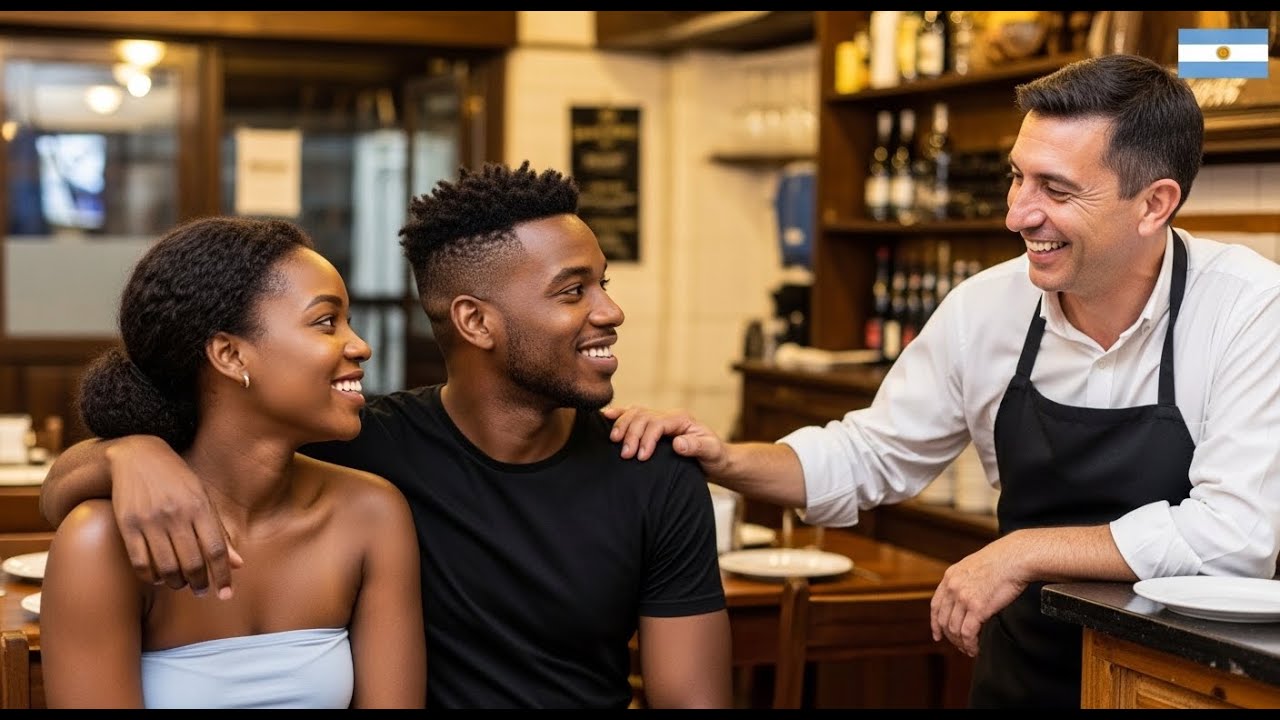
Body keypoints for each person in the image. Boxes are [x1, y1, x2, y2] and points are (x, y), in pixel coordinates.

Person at [606, 53, 1280, 708]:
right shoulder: (986, 307)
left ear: (1154, 204)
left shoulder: (1247, 308)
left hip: (1182, 688)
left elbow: (1233, 536)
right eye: (1017, 178)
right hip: (1022, 676)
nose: (1018, 214)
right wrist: (724, 458)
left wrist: (1023, 553)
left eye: (1056, 189)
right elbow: (869, 455)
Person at [39, 162, 733, 709]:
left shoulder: (649, 468)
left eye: (602, 284)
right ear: (475, 321)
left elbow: (692, 699)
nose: (612, 311)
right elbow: (90, 486)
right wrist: (130, 451)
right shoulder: (363, 444)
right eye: (573, 290)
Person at [39, 216, 425, 708]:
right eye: (326, 321)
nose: (360, 345)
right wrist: (122, 451)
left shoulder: (371, 514)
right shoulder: (101, 541)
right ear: (230, 354)